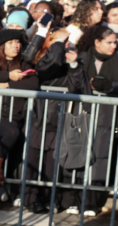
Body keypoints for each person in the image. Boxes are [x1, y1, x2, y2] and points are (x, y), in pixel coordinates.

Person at [23, 25, 85, 212]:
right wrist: (58, 42)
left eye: (67, 42)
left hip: (57, 120)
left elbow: (77, 86)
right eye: (61, 41)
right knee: (33, 161)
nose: (65, 45)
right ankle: (31, 198)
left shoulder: (68, 63)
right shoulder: (41, 60)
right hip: (39, 118)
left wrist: (74, 65)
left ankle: (50, 199)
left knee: (52, 164)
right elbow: (50, 66)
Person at [68, 24, 118, 216]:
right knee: (78, 154)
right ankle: (75, 200)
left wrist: (109, 85)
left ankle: (94, 202)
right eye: (109, 42)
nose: (113, 46)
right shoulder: (84, 57)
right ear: (97, 42)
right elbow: (74, 84)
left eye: (115, 42)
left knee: (100, 157)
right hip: (83, 113)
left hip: (106, 115)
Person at [0, 29, 39, 202]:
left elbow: (33, 83)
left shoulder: (24, 62)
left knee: (14, 134)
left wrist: (6, 84)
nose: (16, 46)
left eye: (18, 42)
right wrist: (8, 75)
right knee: (11, 132)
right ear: (1, 46)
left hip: (14, 116)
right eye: (11, 43)